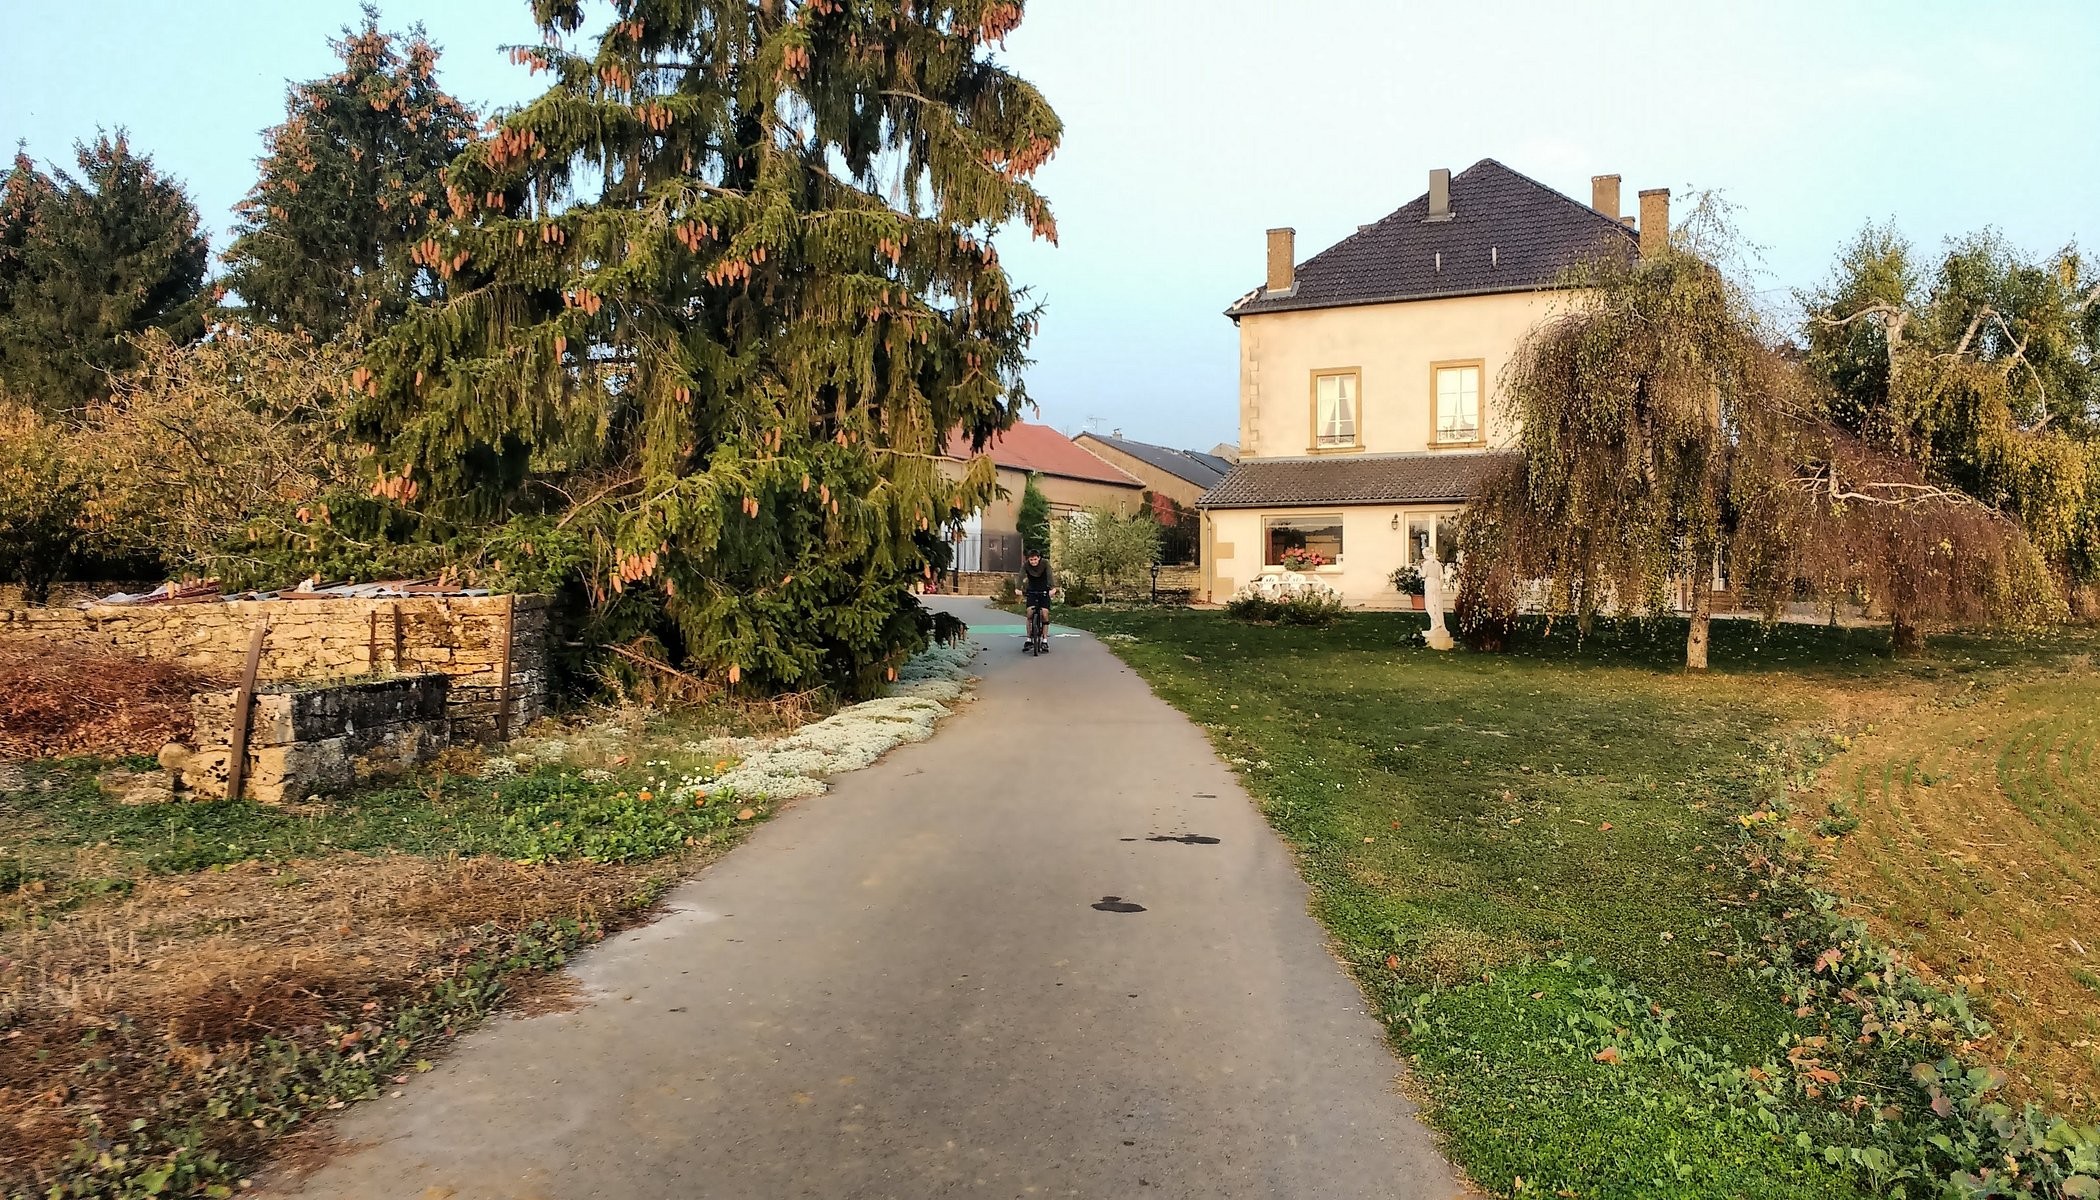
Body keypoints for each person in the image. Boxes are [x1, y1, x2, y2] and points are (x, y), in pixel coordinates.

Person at [1020, 549, 1052, 653]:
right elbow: (1021, 576)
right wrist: (1018, 588)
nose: (1033, 562)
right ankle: (1029, 639)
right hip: (1032, 590)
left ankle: (1045, 640)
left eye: (1035, 559)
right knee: (1029, 614)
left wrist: (1052, 588)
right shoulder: (1026, 565)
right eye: (1031, 560)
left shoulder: (1045, 563)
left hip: (1044, 590)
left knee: (1045, 614)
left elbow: (1050, 575)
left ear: (1039, 558)